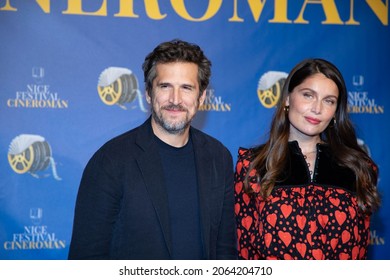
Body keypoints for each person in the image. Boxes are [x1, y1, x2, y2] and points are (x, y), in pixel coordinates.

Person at [68, 39, 237, 260]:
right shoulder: (111, 160)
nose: (175, 99)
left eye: (186, 88)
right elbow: (86, 257)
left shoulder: (218, 156)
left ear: (201, 97)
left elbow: (225, 249)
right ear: (148, 93)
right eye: (165, 86)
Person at [235, 58, 380, 260]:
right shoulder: (253, 165)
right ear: (287, 99)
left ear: (336, 111)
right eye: (308, 95)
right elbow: (245, 251)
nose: (317, 109)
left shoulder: (359, 168)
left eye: (328, 100)